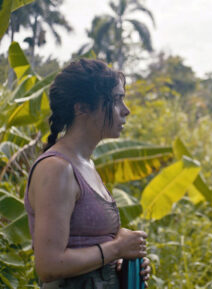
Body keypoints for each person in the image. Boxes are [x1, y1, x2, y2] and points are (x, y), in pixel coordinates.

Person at [24, 59, 151, 288]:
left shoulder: (85, 165)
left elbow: (88, 246)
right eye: (116, 100)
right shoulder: (57, 168)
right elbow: (49, 265)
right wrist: (117, 249)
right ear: (81, 107)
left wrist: (123, 263)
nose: (126, 110)